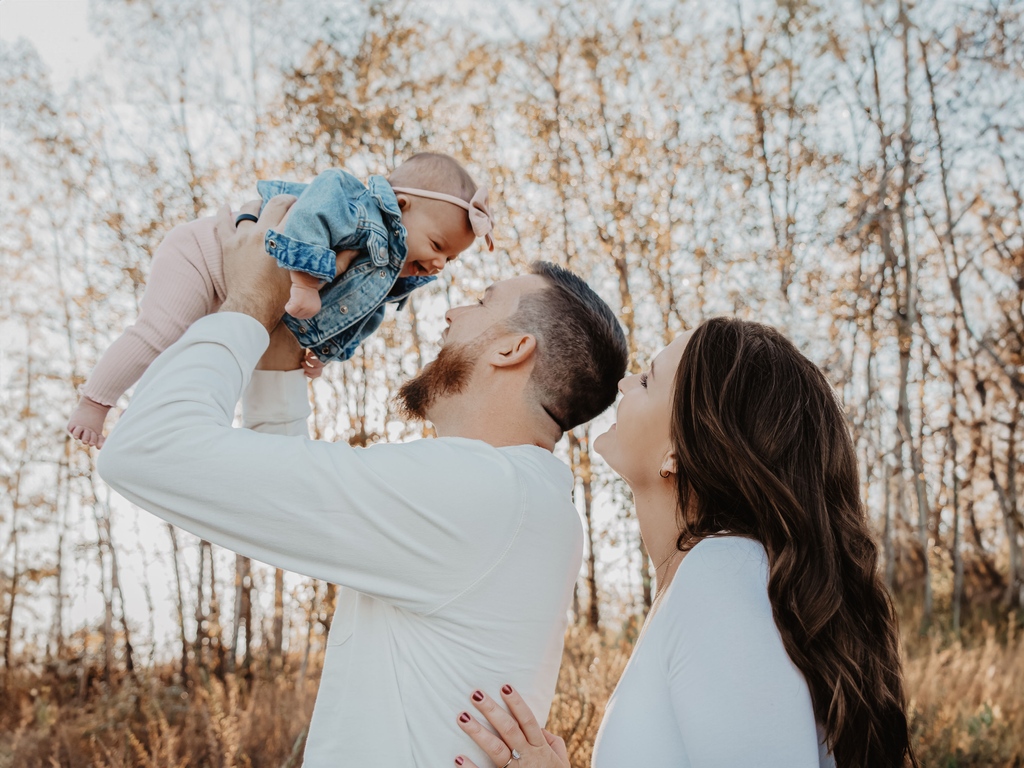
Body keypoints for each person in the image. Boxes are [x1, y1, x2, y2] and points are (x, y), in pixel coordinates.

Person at [97, 195, 630, 768]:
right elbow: (284, 506)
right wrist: (278, 357)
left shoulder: (479, 491)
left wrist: (249, 302)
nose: (451, 313)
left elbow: (146, 450)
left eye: (481, 302)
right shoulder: (517, 499)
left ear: (512, 348)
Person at [453, 319, 917, 767]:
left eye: (648, 381)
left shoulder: (723, 575)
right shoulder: (722, 578)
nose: (624, 385)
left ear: (677, 448)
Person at [68, 152, 493, 447]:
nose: (439, 263)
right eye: (437, 244)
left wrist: (325, 352)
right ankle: (93, 402)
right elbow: (309, 216)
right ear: (400, 205)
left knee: (201, 357)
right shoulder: (356, 208)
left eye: (450, 259)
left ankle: (144, 423)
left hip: (237, 288)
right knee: (161, 333)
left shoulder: (388, 276)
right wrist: (306, 285)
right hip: (204, 253)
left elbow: (361, 315)